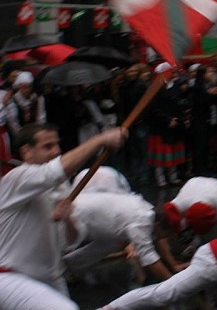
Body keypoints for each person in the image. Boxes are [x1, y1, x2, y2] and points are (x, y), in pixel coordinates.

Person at [0, 123, 126, 310]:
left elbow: (73, 239)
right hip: (12, 277)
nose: (56, 151)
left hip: (51, 277)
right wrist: (100, 139)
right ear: (27, 152)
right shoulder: (17, 178)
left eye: (57, 145)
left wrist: (67, 220)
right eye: (47, 146)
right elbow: (53, 172)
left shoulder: (60, 185)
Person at [64, 191, 179, 281]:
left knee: (115, 242)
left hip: (84, 210)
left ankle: (69, 264)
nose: (165, 238)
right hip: (74, 215)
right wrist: (172, 282)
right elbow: (149, 257)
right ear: (159, 226)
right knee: (53, 258)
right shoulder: (142, 221)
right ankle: (60, 270)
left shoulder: (147, 209)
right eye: (167, 234)